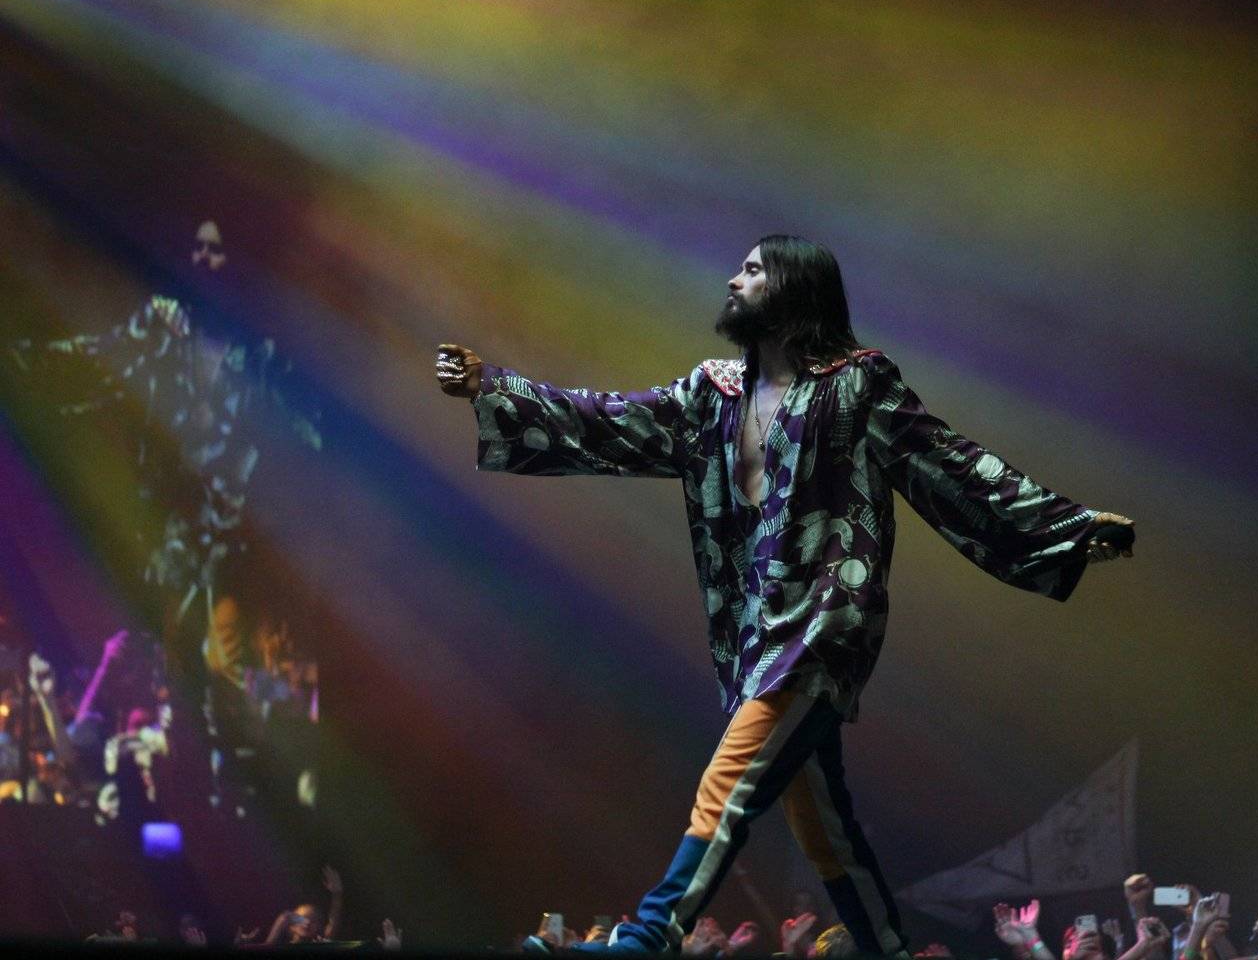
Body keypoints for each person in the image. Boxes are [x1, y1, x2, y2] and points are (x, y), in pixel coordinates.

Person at [436, 235, 1136, 956]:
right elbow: (611, 420)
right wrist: (494, 388)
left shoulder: (858, 384)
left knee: (729, 783)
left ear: (794, 288)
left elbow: (949, 460)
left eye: (752, 270)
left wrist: (1067, 527)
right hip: (755, 633)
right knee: (824, 829)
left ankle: (648, 936)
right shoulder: (712, 393)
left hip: (825, 623)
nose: (733, 280)